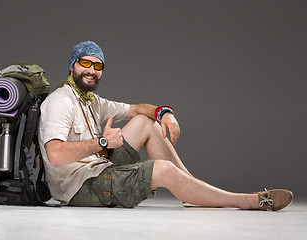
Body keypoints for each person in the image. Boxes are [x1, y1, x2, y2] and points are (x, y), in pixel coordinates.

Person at [38, 41, 293, 210]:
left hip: (97, 168)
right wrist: (102, 143)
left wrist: (165, 113)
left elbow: (139, 109)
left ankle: (192, 191)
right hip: (77, 188)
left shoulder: (92, 101)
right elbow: (55, 154)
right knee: (163, 170)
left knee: (145, 123)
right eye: (85, 63)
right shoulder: (61, 101)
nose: (91, 70)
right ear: (72, 66)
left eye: (98, 65)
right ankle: (247, 202)